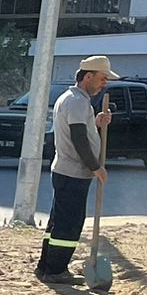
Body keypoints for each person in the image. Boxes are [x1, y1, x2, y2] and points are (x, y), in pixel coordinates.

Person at [37, 55, 112, 282]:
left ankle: (46, 267)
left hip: (65, 170)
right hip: (74, 172)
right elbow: (79, 138)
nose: (104, 84)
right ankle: (57, 270)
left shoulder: (71, 98)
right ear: (88, 76)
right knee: (69, 225)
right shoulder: (78, 101)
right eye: (101, 79)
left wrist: (96, 122)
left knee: (58, 221)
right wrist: (95, 166)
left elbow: (80, 129)